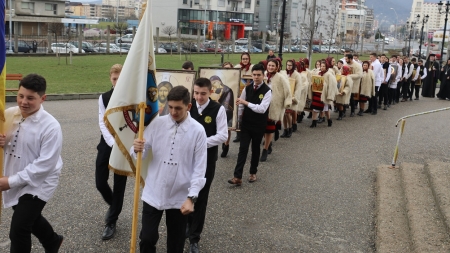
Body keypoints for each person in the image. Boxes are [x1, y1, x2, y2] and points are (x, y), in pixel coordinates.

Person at [132, 86, 207, 253]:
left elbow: (199, 168)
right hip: (154, 190)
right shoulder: (157, 124)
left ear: (188, 107)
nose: (173, 112)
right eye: (170, 107)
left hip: (180, 195)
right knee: (146, 238)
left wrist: (191, 197)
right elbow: (141, 155)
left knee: (176, 243)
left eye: (178, 108)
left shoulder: (198, 131)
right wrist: (137, 148)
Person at [0, 73, 64, 253]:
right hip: (14, 174)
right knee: (29, 218)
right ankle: (52, 241)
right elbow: (8, 144)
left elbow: (45, 165)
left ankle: (51, 241)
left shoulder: (51, 126)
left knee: (19, 228)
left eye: (30, 98)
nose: (23, 102)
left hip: (40, 181)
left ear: (43, 98)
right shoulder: (9, 115)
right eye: (20, 96)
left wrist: (10, 182)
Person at [187, 78, 228, 253]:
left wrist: (200, 143)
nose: (199, 97)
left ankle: (194, 238)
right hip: (187, 160)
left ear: (210, 92)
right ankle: (185, 229)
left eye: (203, 93)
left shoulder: (218, 110)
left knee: (200, 199)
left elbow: (222, 135)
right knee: (186, 195)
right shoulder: (189, 107)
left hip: (206, 161)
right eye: (196, 93)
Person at [95, 64, 128, 240]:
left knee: (119, 184)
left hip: (125, 146)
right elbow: (102, 121)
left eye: (120, 78)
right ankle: (114, 205)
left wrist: (122, 145)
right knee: (100, 182)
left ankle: (112, 221)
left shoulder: (131, 98)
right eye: (114, 78)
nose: (117, 81)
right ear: (111, 79)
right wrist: (112, 142)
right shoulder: (104, 97)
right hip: (107, 143)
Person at [228, 64, 272, 185]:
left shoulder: (267, 91)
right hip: (246, 124)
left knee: (255, 149)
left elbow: (262, 109)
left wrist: (246, 103)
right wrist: (239, 119)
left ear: (263, 76)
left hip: (258, 124)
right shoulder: (247, 88)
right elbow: (240, 104)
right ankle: (237, 176)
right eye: (254, 75)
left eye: (259, 75)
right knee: (243, 149)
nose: (256, 77)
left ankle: (253, 172)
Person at [260, 58, 291, 162]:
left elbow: (287, 90)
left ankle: (265, 149)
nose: (270, 67)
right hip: (263, 104)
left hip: (274, 105)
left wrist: (287, 102)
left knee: (269, 127)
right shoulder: (263, 75)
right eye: (269, 65)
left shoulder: (281, 77)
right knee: (263, 127)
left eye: (273, 66)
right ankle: (268, 144)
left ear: (277, 67)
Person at [232, 53, 254, 143]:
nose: (245, 60)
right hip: (239, 92)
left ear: (249, 59)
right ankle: (238, 134)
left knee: (247, 114)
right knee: (238, 114)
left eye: (247, 59)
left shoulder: (252, 68)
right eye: (243, 59)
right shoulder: (237, 68)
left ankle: (247, 134)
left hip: (249, 93)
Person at [309, 59, 338, 128]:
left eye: (323, 66)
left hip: (324, 94)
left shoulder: (329, 75)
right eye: (321, 66)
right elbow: (314, 80)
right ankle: (314, 122)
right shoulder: (317, 73)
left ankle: (329, 120)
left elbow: (332, 85)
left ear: (326, 67)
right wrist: (313, 84)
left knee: (326, 109)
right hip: (317, 94)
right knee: (314, 109)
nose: (322, 67)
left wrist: (324, 86)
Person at [280, 59, 301, 136]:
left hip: (291, 97)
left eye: (290, 65)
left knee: (288, 113)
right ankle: (285, 129)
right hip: (284, 96)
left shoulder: (297, 75)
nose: (288, 67)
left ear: (293, 66)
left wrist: (294, 97)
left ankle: (290, 128)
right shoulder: (283, 73)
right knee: (284, 114)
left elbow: (298, 88)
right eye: (287, 65)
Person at [220, 62, 236, 157]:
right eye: (225, 68)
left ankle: (226, 145)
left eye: (229, 68)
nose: (227, 70)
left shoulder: (234, 79)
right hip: (219, 103)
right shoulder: (220, 80)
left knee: (227, 127)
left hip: (228, 105)